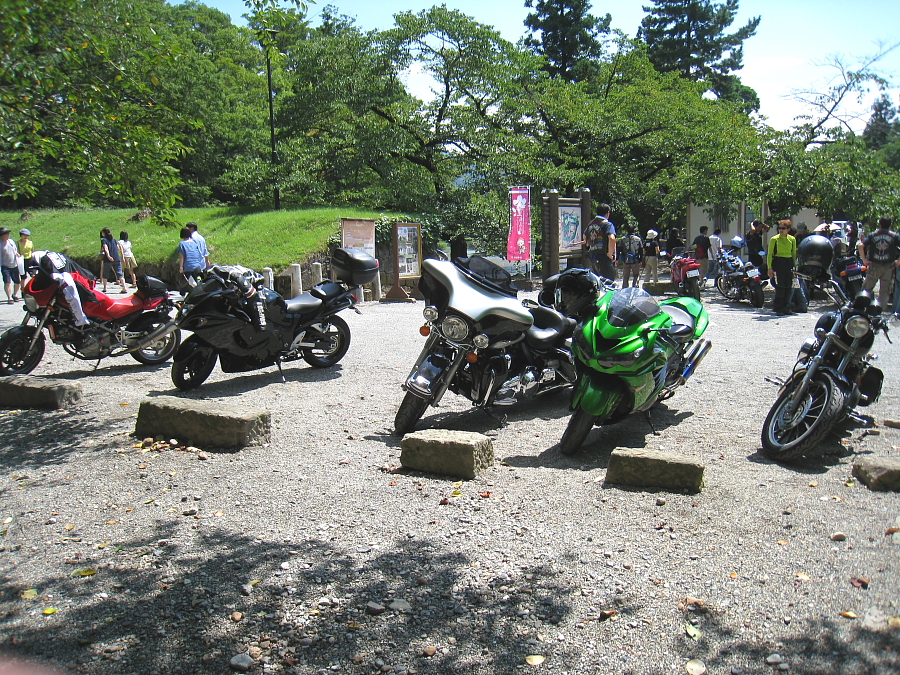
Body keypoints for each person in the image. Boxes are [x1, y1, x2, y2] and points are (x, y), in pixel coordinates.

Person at [858, 216, 900, 310]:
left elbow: (861, 245)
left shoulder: (873, 234)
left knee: (866, 289)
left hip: (874, 266)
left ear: (880, 224)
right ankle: (879, 311)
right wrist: (898, 261)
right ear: (891, 225)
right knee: (884, 292)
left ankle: (862, 309)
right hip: (888, 267)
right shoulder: (894, 236)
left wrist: (864, 260)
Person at [767, 218, 798, 316]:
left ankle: (786, 307)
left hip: (789, 262)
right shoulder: (774, 239)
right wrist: (770, 268)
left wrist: (795, 267)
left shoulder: (792, 239)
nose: (781, 230)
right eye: (779, 228)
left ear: (788, 229)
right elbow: (770, 254)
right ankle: (778, 308)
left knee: (788, 286)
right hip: (779, 262)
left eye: (783, 228)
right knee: (780, 286)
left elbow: (794, 254)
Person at [579, 203, 617, 282]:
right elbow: (612, 238)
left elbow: (585, 236)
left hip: (593, 258)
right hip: (604, 258)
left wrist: (589, 245)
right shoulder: (607, 224)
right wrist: (610, 254)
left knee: (597, 283)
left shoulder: (591, 224)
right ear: (608, 213)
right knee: (609, 284)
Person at [100, 227, 127, 294]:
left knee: (106, 273)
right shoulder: (113, 239)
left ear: (104, 233)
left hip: (108, 259)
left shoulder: (104, 240)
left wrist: (108, 255)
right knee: (120, 274)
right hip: (117, 258)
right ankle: (124, 288)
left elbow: (106, 248)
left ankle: (105, 288)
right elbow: (118, 248)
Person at [1, 227, 22, 304]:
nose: (8, 235)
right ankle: (9, 298)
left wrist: (17, 253)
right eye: (6, 234)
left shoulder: (11, 241)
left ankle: (15, 295)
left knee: (17, 282)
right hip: (5, 266)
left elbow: (15, 250)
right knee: (7, 282)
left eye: (8, 233)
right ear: (2, 235)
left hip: (14, 264)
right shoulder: (0, 244)